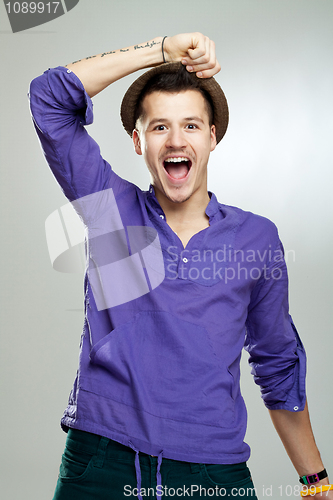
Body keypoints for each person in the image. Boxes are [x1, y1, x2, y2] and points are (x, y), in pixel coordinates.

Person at [29, 33, 332, 500]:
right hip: (103, 462)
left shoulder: (257, 239)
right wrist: (162, 51)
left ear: (212, 138)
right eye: (158, 127)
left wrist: (316, 483)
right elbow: (48, 98)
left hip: (212, 473)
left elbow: (277, 364)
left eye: (191, 126)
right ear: (138, 141)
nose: (175, 140)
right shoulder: (110, 209)